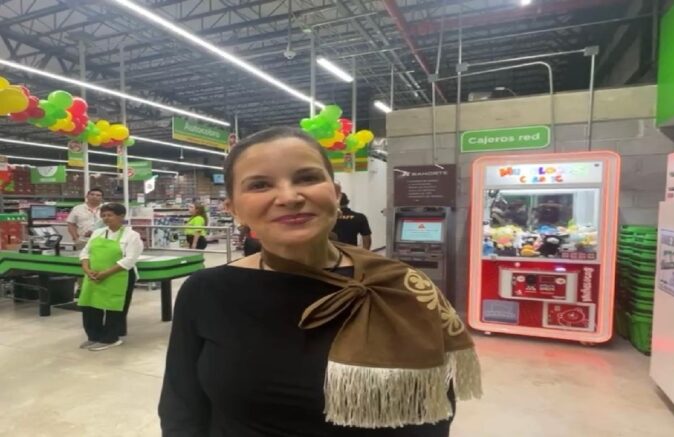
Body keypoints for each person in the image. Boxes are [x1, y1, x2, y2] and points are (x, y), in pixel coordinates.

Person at [159, 127, 481, 436]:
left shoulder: (399, 287)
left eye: (307, 178)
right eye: (260, 185)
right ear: (233, 209)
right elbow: (182, 409)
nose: (289, 197)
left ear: (336, 194)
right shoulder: (207, 292)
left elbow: (432, 415)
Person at [78, 202, 144, 351]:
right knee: (90, 306)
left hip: (119, 276)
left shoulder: (132, 235)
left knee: (114, 307)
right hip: (94, 276)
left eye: (110, 215)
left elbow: (129, 259)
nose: (106, 218)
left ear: (121, 216)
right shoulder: (98, 233)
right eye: (103, 215)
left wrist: (105, 273)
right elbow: (85, 252)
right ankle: (94, 336)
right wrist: (87, 269)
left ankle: (111, 338)